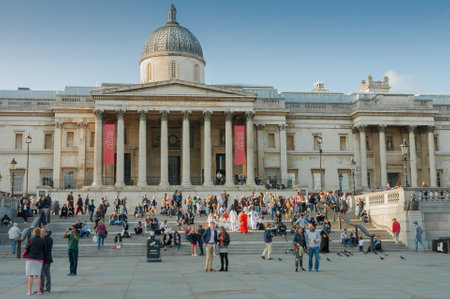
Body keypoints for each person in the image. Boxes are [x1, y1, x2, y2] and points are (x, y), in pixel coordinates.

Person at [25, 227, 46, 296]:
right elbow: (44, 250)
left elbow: (26, 248)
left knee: (30, 275)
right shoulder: (42, 240)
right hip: (39, 259)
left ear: (34, 232)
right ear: (40, 232)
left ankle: (29, 291)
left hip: (30, 258)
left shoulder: (31, 239)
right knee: (37, 275)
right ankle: (38, 291)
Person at [40, 229, 53, 293]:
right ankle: (48, 288)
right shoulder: (50, 238)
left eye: (40, 234)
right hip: (49, 258)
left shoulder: (43, 239)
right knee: (47, 274)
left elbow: (43, 249)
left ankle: (41, 288)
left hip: (44, 259)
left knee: (42, 274)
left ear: (43, 233)